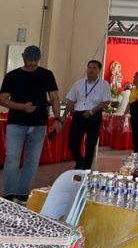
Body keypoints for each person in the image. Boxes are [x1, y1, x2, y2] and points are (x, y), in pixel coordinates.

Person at [1, 46, 62, 201]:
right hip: (16, 123)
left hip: (39, 123)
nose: (32, 63)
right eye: (29, 60)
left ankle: (22, 193)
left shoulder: (46, 74)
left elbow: (55, 97)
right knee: (12, 159)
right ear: (23, 57)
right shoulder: (12, 76)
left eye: (35, 60)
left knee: (32, 161)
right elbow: (2, 99)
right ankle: (9, 193)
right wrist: (22, 107)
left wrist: (57, 119)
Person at [65, 60, 113, 170]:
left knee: (90, 143)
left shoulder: (104, 85)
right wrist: (64, 115)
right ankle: (79, 160)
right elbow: (71, 100)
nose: (91, 70)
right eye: (89, 67)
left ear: (99, 70)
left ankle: (86, 168)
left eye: (94, 68)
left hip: (94, 115)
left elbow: (106, 101)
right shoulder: (78, 83)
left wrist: (92, 111)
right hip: (79, 114)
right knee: (73, 141)